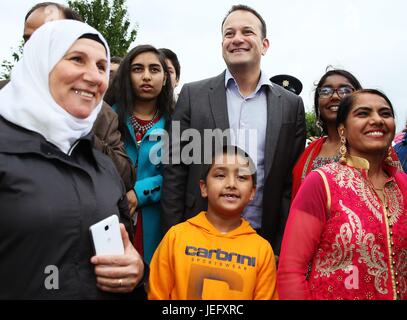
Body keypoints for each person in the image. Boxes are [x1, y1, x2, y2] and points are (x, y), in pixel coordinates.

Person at [0, 20, 145, 299]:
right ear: (40, 64)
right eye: (77, 59)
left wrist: (135, 271)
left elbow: (121, 248)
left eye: (101, 67)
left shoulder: (102, 164)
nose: (94, 77)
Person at [161, 4, 306, 256]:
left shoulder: (291, 106)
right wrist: (174, 237)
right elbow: (175, 170)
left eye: (247, 32)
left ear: (264, 44)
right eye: (229, 34)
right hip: (197, 235)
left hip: (263, 238)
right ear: (222, 45)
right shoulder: (193, 96)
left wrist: (282, 246)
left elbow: (288, 184)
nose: (237, 39)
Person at [277, 89, 407, 300]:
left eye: (385, 114)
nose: (376, 120)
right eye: (363, 113)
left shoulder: (403, 185)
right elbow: (291, 270)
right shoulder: (322, 182)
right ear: (343, 130)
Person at [16, 2, 137, 210]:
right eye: (29, 39)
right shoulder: (5, 98)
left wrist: (82, 130)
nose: (35, 47)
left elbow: (125, 177)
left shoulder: (101, 114)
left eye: (48, 37)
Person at [148, 145, 278, 300]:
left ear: (252, 193)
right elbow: (156, 295)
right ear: (204, 188)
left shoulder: (262, 250)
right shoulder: (176, 237)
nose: (231, 184)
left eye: (242, 177)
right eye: (220, 175)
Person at [107, 45, 173, 264]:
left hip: (156, 220)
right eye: (137, 69)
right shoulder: (105, 116)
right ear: (127, 75)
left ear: (165, 79)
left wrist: (140, 192)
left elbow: (180, 174)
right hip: (107, 214)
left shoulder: (178, 120)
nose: (146, 76)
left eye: (154, 70)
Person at [291, 69, 362, 201]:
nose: (334, 96)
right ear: (318, 103)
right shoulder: (310, 151)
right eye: (325, 91)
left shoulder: (372, 144)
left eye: (345, 90)